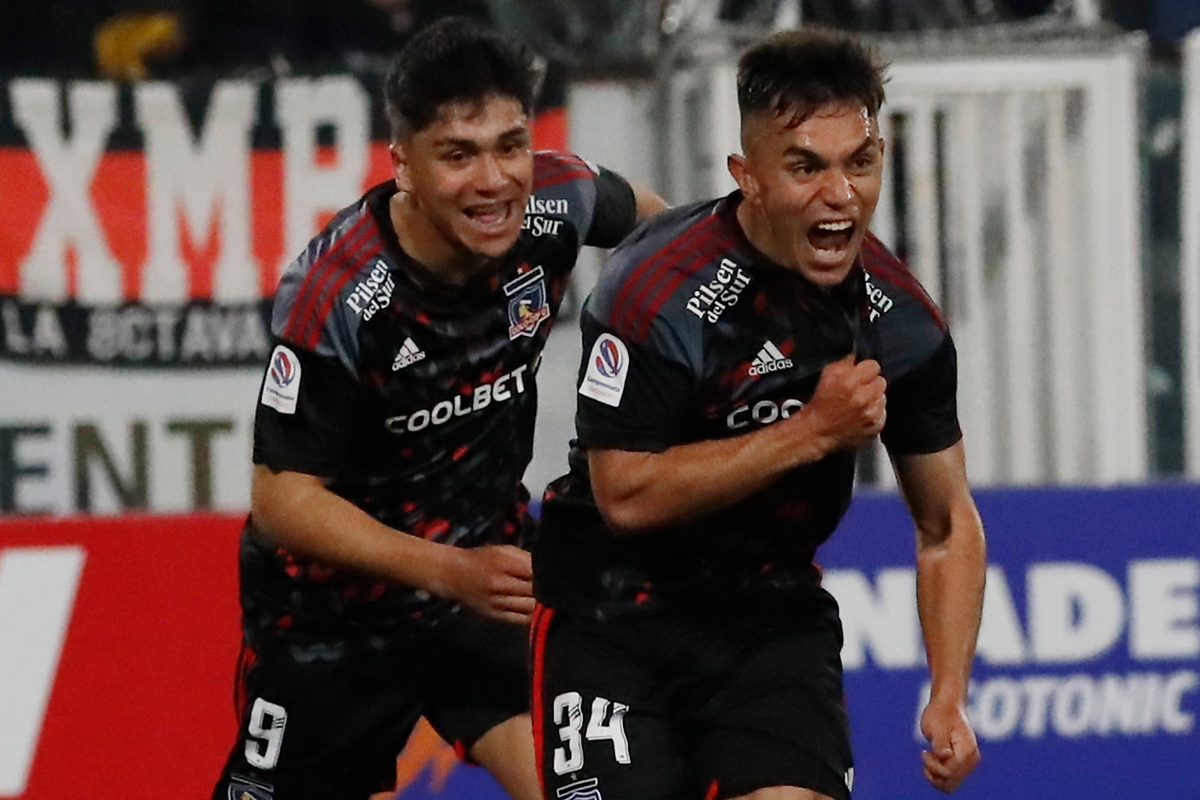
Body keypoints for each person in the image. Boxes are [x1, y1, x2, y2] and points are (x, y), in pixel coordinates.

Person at [211, 17, 666, 800]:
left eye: (509, 145)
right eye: (458, 155)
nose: (493, 182)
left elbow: (674, 244)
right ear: (405, 165)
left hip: (486, 595)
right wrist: (448, 571)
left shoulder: (562, 199)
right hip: (329, 628)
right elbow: (283, 501)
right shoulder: (341, 297)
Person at [532, 27, 985, 800]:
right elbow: (624, 494)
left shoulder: (903, 322)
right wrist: (812, 431)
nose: (840, 195)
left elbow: (946, 523)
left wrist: (948, 693)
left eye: (860, 163)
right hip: (611, 619)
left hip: (768, 619)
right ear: (749, 177)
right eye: (806, 166)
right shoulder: (655, 294)